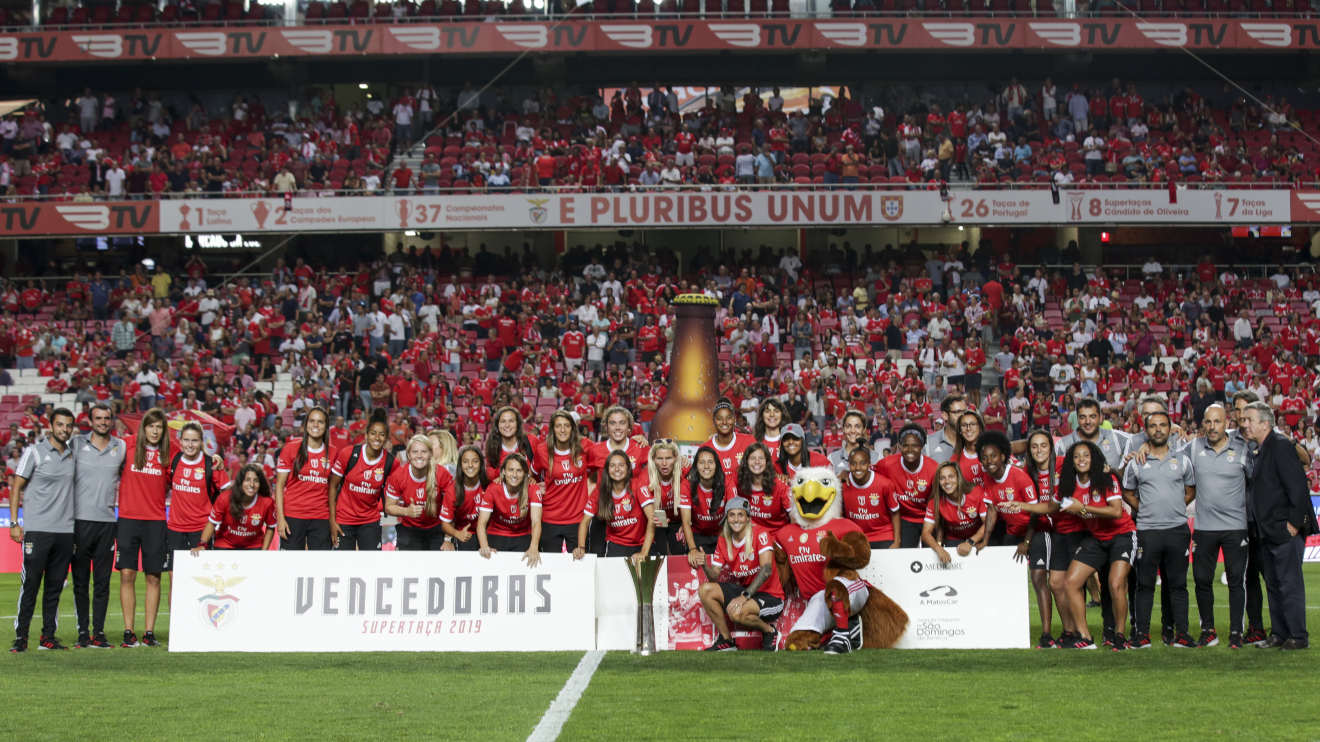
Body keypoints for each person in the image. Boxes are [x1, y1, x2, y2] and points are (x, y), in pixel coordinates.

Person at [1241, 401, 1316, 649]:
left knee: (1288, 583)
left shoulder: (1281, 446)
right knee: (1273, 583)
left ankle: (1297, 635)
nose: (1245, 423)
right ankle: (1280, 633)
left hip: (1283, 530)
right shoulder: (1263, 447)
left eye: (1249, 419)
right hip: (1267, 530)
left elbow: (1298, 488)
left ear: (1265, 423)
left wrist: (1293, 525)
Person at [1121, 411, 1196, 649]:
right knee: (1144, 585)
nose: (1158, 429)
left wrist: (1173, 508)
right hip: (1147, 531)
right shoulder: (1137, 462)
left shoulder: (1182, 460)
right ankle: (1141, 634)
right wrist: (1145, 509)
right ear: (1147, 430)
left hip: (1177, 530)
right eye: (1153, 426)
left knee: (1178, 584)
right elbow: (1128, 492)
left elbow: (1190, 491)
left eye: (1163, 425)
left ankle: (1181, 633)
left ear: (1169, 428)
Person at [8, 408, 76, 652]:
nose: (64, 430)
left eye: (68, 426)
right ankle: (21, 636)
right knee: (31, 585)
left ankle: (48, 637)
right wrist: (15, 523)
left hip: (65, 532)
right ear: (51, 425)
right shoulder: (34, 452)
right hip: (37, 531)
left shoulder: (72, 455)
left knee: (55, 587)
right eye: (60, 425)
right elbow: (16, 486)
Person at [1058, 440, 1137, 651]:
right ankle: (1085, 637)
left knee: (1115, 584)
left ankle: (1120, 635)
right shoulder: (1069, 485)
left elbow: (1116, 511)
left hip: (1122, 535)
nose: (1081, 460)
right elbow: (1064, 508)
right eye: (1076, 456)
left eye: (1086, 455)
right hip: (1097, 538)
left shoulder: (1106, 478)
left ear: (1093, 458)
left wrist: (1082, 507)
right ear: (1071, 462)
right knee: (1071, 582)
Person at [1185, 404, 1251, 648]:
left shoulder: (1243, 448)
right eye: (1208, 422)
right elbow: (1167, 456)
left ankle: (1236, 632)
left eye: (1217, 422)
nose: (1212, 427)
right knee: (1202, 579)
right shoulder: (1193, 447)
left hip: (1236, 527)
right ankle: (1208, 630)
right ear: (1203, 423)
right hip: (1204, 527)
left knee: (1236, 580)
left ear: (1227, 424)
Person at [1007, 429, 1072, 648]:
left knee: (1062, 583)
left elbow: (1052, 506)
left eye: (1043, 445)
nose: (1039, 450)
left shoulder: (1064, 465)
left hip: (1070, 530)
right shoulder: (1027, 473)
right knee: (1053, 583)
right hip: (1046, 531)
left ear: (1051, 448)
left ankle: (1072, 631)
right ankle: (1063, 633)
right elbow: (1036, 512)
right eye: (1034, 446)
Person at [696, 497, 784, 651]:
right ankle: (726, 640)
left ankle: (770, 632)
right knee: (705, 590)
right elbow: (714, 576)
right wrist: (704, 565)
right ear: (726, 518)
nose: (736, 519)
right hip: (747, 592)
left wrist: (745, 596)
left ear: (748, 518)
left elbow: (766, 569)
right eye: (732, 515)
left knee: (736, 612)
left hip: (770, 595)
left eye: (740, 515)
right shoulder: (723, 539)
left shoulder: (760, 534)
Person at [71, 403, 125, 649]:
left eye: (107, 418)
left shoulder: (120, 446)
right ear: (90, 421)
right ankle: (83, 632)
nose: (103, 422)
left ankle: (99, 633)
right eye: (98, 418)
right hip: (80, 522)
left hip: (106, 524)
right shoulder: (76, 445)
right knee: (81, 582)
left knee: (102, 582)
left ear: (111, 421)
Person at [116, 407, 170, 648]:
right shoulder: (125, 445)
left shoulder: (170, 452)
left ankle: (149, 632)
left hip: (156, 521)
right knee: (127, 575)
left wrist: (216, 458)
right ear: (143, 427)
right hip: (128, 519)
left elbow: (195, 455)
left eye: (159, 427)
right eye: (151, 426)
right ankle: (129, 631)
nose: (155, 431)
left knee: (153, 577)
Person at [534, 409, 603, 554]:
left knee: (578, 567)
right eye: (558, 426)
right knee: (552, 567)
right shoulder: (542, 450)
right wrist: (536, 488)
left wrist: (635, 439)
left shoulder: (585, 445)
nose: (563, 430)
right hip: (549, 518)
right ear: (552, 429)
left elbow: (608, 454)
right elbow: (530, 475)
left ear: (573, 428)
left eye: (566, 425)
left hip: (578, 519)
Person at [328, 409, 396, 551]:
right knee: (343, 567)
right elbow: (332, 487)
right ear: (366, 435)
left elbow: (392, 493)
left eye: (382, 434)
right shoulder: (349, 453)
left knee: (372, 567)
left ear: (386, 438)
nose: (377, 438)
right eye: (373, 433)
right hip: (344, 519)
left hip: (370, 521)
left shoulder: (391, 462)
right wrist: (332, 521)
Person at [275, 407, 333, 549]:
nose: (315, 425)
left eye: (320, 422)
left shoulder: (333, 453)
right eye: (312, 421)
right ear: (306, 424)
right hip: (293, 515)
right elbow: (279, 486)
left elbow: (334, 490)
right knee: (292, 568)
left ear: (326, 426)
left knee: (320, 568)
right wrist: (281, 518)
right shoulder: (290, 448)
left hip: (321, 517)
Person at [385, 434, 455, 551]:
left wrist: (448, 540)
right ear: (408, 455)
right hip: (409, 529)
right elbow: (388, 507)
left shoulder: (442, 474)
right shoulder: (398, 475)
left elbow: (452, 508)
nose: (419, 456)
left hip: (437, 529)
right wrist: (407, 511)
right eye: (415, 452)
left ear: (430, 455)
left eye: (424, 452)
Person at [875, 424, 939, 548]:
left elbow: (937, 500)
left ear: (922, 447)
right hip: (904, 518)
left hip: (928, 517)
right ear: (899, 446)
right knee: (904, 554)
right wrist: (847, 476)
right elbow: (868, 473)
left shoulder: (933, 468)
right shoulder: (887, 464)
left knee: (932, 556)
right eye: (905, 445)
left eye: (915, 445)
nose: (910, 450)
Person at [476, 452, 543, 566]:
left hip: (522, 535)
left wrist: (534, 547)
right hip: (497, 533)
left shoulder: (533, 489)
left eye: (519, 470)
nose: (514, 475)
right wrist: (484, 546)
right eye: (511, 470)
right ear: (503, 472)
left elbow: (536, 522)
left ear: (525, 473)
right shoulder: (493, 489)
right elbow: (481, 523)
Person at [190, 464, 276, 551]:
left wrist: (264, 551)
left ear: (260, 484)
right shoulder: (225, 498)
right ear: (240, 482)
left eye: (256, 481)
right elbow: (212, 523)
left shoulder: (267, 502)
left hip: (253, 545)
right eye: (247, 480)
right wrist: (202, 544)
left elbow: (271, 527)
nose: (252, 484)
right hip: (225, 543)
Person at [588, 450, 655, 560]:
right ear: (607, 470)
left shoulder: (638, 485)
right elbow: (586, 520)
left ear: (629, 468)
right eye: (613, 466)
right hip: (616, 544)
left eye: (621, 465)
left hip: (642, 544)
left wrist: (643, 553)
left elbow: (652, 518)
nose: (617, 469)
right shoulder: (601, 491)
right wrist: (581, 546)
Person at [920, 462, 985, 562]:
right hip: (954, 538)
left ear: (958, 478)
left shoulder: (976, 492)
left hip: (977, 536)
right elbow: (925, 533)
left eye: (951, 476)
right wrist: (939, 549)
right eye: (942, 478)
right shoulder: (934, 502)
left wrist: (970, 542)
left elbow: (988, 523)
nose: (947, 481)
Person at [680, 446, 731, 563]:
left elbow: (732, 515)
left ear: (717, 465)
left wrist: (724, 544)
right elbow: (686, 522)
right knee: (697, 562)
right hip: (698, 534)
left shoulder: (727, 482)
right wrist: (692, 549)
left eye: (710, 462)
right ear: (696, 466)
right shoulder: (687, 484)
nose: (706, 466)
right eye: (702, 462)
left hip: (722, 533)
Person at [841, 447, 900, 549]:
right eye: (853, 464)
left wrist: (897, 541)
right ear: (848, 465)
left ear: (869, 464)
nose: (858, 467)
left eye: (863, 463)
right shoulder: (842, 485)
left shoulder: (885, 484)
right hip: (856, 537)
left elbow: (895, 513)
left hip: (883, 535)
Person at [737, 442, 792, 532]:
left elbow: (794, 517)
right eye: (753, 458)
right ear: (746, 462)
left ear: (767, 462)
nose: (757, 462)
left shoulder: (780, 486)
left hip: (776, 536)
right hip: (751, 537)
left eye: (761, 458)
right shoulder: (740, 484)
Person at [644, 439, 685, 556]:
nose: (664, 463)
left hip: (679, 519)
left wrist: (686, 523)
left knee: (679, 550)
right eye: (660, 458)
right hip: (658, 519)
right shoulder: (645, 478)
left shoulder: (685, 471)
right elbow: (652, 518)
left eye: (668, 458)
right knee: (660, 552)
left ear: (676, 458)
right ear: (653, 460)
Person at [441, 445, 487, 551]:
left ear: (481, 464)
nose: (470, 465)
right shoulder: (452, 490)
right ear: (460, 465)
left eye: (475, 461)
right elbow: (445, 524)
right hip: (464, 533)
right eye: (465, 461)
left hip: (486, 532)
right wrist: (456, 534)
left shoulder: (488, 485)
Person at [706, 398, 755, 480]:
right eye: (719, 418)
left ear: (734, 419)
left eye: (728, 417)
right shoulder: (706, 448)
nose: (724, 422)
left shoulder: (749, 441)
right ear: (714, 421)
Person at [924, 393, 968, 463]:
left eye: (965, 412)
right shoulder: (928, 443)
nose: (963, 416)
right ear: (945, 415)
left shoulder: (972, 442)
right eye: (958, 412)